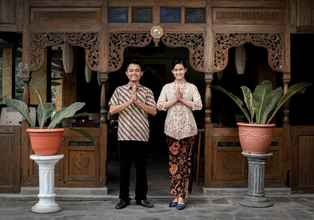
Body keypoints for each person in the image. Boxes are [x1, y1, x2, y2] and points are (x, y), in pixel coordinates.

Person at [109, 62, 157, 209]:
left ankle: (141, 198)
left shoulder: (147, 91)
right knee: (124, 168)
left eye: (137, 70)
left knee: (141, 169)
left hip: (141, 135)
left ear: (141, 73)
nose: (134, 73)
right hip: (124, 135)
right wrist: (130, 101)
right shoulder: (119, 90)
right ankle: (123, 198)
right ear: (126, 73)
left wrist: (138, 101)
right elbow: (112, 110)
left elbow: (153, 111)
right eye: (131, 71)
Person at [157, 59, 202, 210]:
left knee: (185, 163)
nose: (178, 72)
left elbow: (198, 105)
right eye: (175, 70)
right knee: (174, 164)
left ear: (185, 70)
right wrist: (174, 100)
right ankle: (176, 195)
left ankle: (182, 197)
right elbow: (160, 105)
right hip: (171, 130)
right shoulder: (167, 87)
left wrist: (181, 99)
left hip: (188, 130)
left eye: (181, 69)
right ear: (172, 72)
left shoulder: (192, 87)